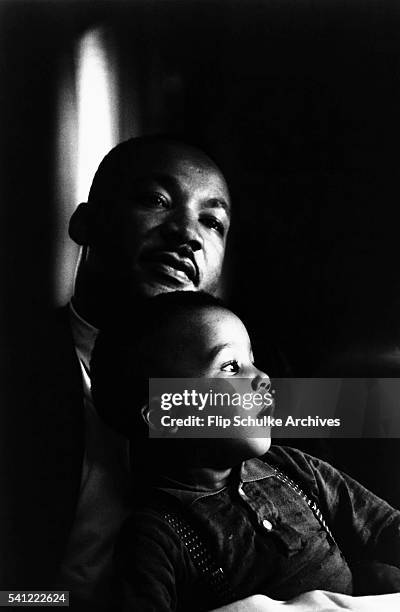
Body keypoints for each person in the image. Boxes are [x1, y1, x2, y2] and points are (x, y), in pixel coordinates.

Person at [1, 136, 231, 606]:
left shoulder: (255, 375)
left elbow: (367, 445)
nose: (187, 234)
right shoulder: (14, 366)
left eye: (212, 221)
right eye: (155, 200)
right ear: (84, 223)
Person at [90, 291, 400, 612]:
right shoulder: (157, 535)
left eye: (253, 361)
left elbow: (385, 527)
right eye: (231, 366)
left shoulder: (293, 468)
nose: (262, 378)